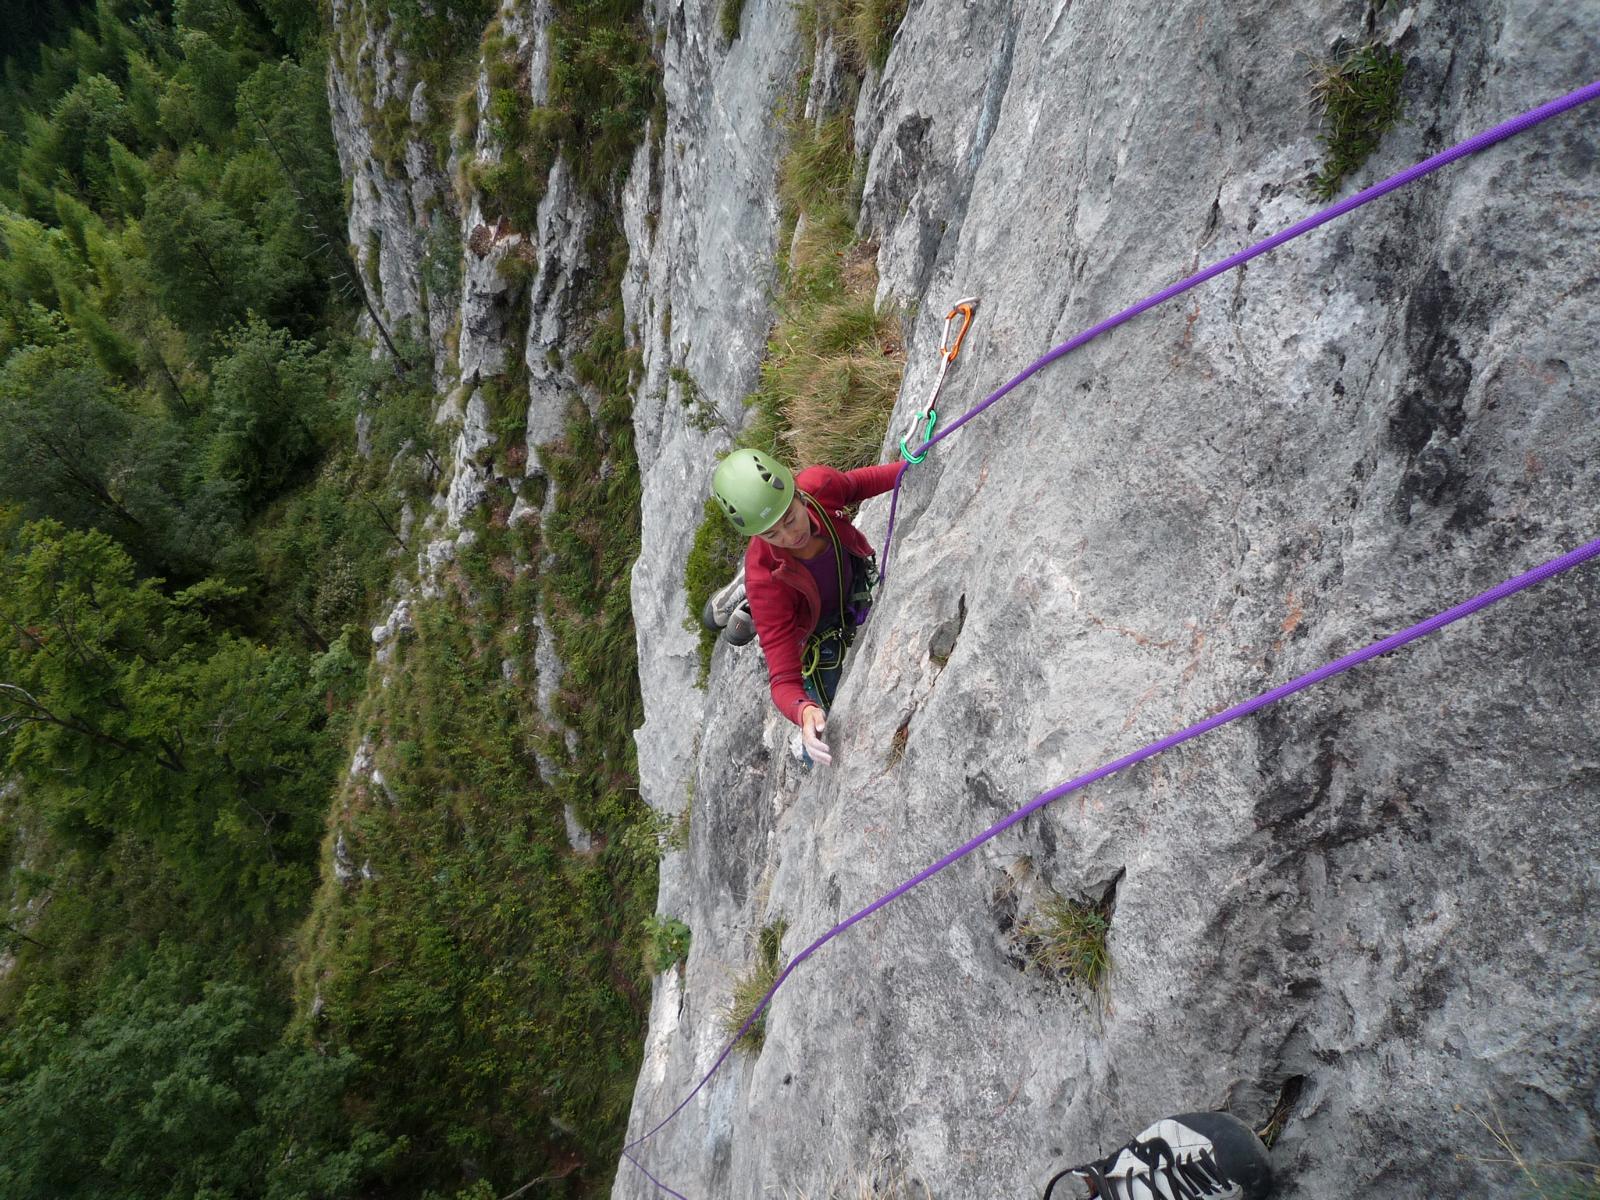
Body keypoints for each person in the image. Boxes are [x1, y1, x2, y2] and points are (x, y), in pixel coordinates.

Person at [708, 448, 901, 766]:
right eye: (772, 533)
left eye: (789, 518)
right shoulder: (766, 581)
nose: (790, 535)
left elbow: (858, 485)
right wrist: (804, 710)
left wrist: (909, 465)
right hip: (813, 631)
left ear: (799, 496)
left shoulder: (819, 486)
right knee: (824, 739)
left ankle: (744, 599)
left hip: (848, 584)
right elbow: (784, 679)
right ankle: (749, 602)